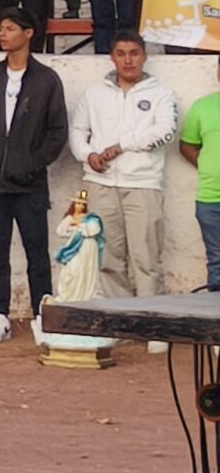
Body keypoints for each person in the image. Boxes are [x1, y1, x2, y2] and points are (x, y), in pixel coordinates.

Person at [0, 8, 67, 342]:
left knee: (37, 252)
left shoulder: (46, 80)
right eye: (2, 28)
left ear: (28, 33)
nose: (3, 34)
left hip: (30, 184)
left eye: (10, 28)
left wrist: (33, 164)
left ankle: (42, 316)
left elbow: (57, 132)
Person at [72, 33, 179, 314]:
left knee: (146, 258)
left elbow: (165, 131)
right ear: (112, 57)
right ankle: (118, 321)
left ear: (144, 56)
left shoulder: (161, 93)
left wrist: (122, 146)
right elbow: (77, 131)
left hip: (143, 185)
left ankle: (151, 322)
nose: (128, 60)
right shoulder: (95, 93)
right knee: (107, 257)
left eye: (134, 53)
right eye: (121, 53)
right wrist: (88, 155)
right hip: (100, 184)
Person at [178, 86, 220, 290]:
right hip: (210, 199)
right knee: (217, 262)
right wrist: (204, 164)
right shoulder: (203, 106)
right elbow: (187, 144)